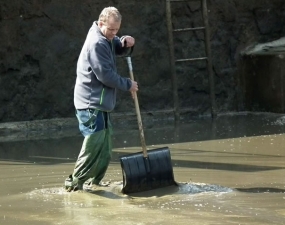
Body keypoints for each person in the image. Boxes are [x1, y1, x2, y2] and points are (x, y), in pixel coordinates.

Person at [65, 6, 138, 192]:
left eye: (117, 30)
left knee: (105, 149)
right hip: (90, 104)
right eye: (111, 29)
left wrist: (122, 42)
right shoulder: (96, 42)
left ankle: (94, 183)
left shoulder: (106, 37)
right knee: (93, 145)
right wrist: (128, 84)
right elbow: (105, 75)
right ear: (101, 23)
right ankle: (74, 184)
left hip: (101, 103)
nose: (114, 33)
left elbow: (113, 46)